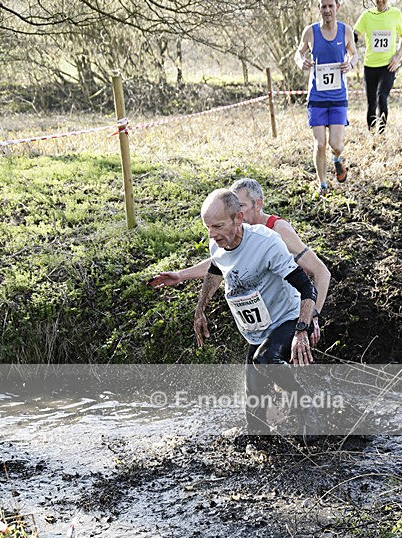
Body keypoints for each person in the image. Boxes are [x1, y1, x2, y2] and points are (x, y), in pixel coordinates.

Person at [148, 178, 330, 347]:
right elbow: (220, 262)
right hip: (259, 322)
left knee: (268, 361)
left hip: (287, 316)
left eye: (240, 206)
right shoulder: (230, 237)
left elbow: (321, 271)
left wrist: (312, 317)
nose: (237, 211)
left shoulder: (275, 233)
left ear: (257, 205)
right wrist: (181, 275)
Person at [193, 189, 317, 436]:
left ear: (239, 218)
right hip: (257, 331)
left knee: (266, 359)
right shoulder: (216, 244)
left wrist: (302, 330)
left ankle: (308, 409)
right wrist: (200, 310)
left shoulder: (266, 243)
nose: (211, 234)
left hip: (288, 318)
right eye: (208, 227)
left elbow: (307, 287)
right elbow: (216, 271)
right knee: (255, 421)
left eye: (217, 226)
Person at [295, 0, 357, 195]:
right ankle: (323, 184)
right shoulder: (310, 31)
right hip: (317, 97)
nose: (327, 10)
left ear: (337, 7)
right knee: (320, 143)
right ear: (319, 8)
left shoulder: (346, 31)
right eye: (323, 6)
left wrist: (351, 64)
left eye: (330, 6)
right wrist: (301, 61)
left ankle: (337, 159)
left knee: (336, 145)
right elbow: (299, 52)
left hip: (338, 97)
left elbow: (354, 54)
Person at [354, 0, 402, 133]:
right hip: (370, 66)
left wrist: (397, 56)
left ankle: (381, 133)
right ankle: (371, 134)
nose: (380, 1)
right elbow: (354, 35)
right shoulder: (366, 15)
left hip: (388, 66)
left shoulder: (395, 13)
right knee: (371, 103)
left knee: (381, 96)